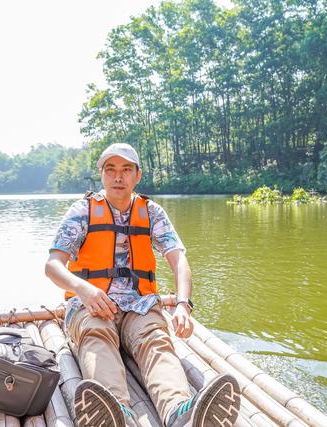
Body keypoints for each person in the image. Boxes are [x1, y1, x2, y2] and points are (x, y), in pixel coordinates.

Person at [45, 143, 241, 427]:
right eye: (110, 170)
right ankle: (116, 415)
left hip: (140, 304)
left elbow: (179, 259)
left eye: (126, 170)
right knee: (97, 334)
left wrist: (184, 305)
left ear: (138, 175)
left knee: (155, 338)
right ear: (101, 175)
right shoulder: (82, 211)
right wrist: (83, 289)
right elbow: (52, 265)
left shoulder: (151, 212)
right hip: (92, 305)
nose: (118, 177)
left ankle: (179, 414)